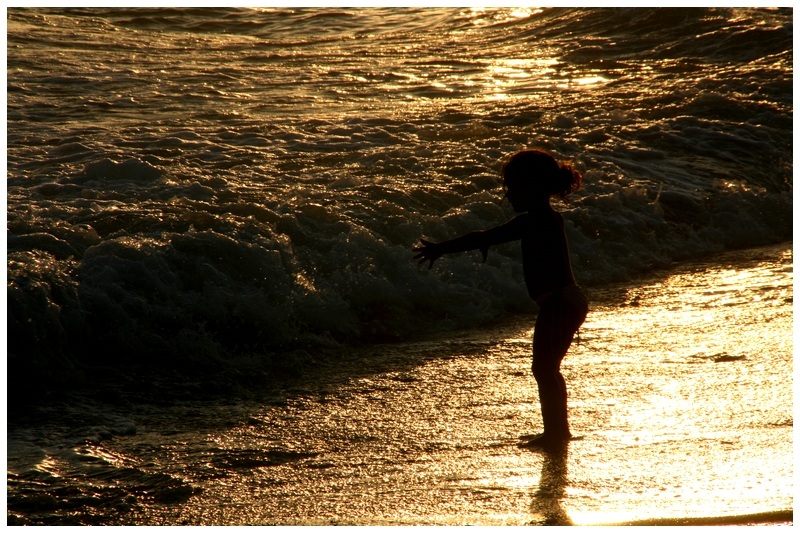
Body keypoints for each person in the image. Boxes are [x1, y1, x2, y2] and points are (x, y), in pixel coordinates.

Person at [413, 149, 588, 450]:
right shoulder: (544, 219)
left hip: (560, 301)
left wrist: (441, 248)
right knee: (548, 368)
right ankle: (559, 430)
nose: (508, 194)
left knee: (544, 369)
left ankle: (556, 433)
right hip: (564, 300)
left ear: (533, 186)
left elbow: (484, 236)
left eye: (513, 186)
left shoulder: (537, 219)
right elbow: (487, 237)